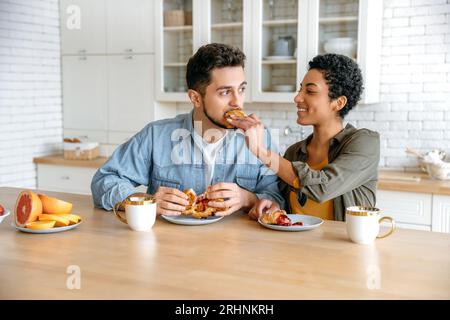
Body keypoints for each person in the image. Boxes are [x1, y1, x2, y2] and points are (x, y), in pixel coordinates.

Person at [91, 43, 284, 216]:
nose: (237, 102)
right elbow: (103, 182)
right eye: (225, 92)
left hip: (237, 249)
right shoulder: (156, 136)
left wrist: (247, 199)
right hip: (171, 249)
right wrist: (145, 201)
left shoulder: (260, 139)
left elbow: (279, 197)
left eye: (241, 89)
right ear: (195, 98)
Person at [228, 53, 380, 221]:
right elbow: (285, 206)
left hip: (343, 247)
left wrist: (260, 151)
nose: (298, 97)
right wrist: (274, 206)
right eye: (300, 89)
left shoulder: (364, 143)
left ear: (338, 102)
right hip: (295, 246)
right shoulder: (294, 153)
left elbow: (321, 188)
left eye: (310, 91)